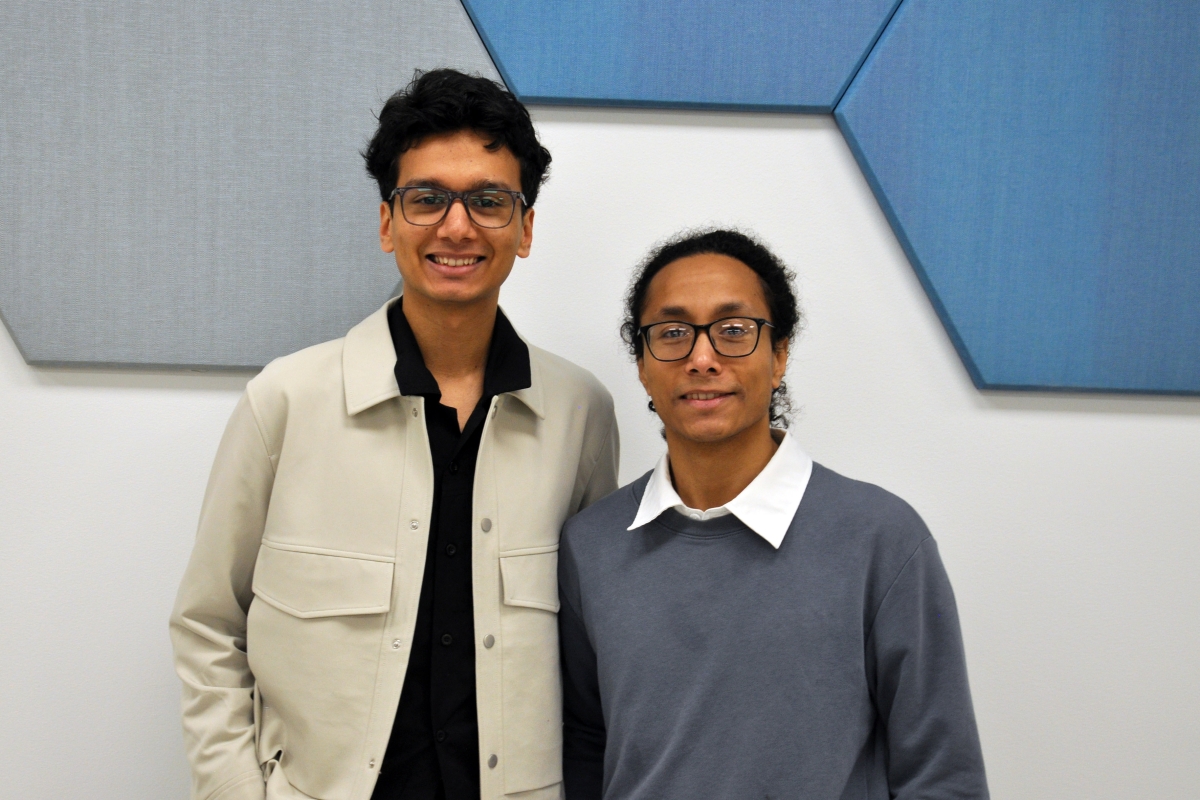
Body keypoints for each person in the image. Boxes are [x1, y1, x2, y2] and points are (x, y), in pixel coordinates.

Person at [171, 69, 618, 800]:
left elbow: (592, 651)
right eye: (427, 198)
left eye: (488, 200)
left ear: (525, 227)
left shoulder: (580, 414)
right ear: (387, 223)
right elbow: (209, 624)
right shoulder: (286, 401)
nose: (456, 226)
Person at [558, 229, 988, 799]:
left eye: (734, 331)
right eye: (672, 333)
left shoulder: (880, 539)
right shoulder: (592, 545)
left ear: (779, 353)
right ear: (642, 363)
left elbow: (942, 776)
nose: (702, 358)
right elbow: (585, 746)